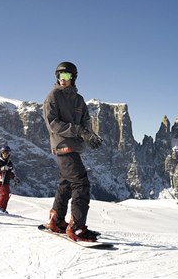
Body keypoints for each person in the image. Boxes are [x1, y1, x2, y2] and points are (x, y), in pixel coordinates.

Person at [43, 61, 103, 242]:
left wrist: (88, 134)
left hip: (74, 147)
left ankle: (56, 220)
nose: (63, 79)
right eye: (60, 76)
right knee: (81, 184)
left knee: (66, 184)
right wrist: (78, 131)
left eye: (67, 76)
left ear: (73, 78)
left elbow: (85, 121)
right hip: (62, 145)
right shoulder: (53, 96)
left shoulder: (79, 100)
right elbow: (53, 124)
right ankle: (77, 227)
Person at [0, 145, 19, 214]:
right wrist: (2, 168)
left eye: (7, 153)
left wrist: (14, 178)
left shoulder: (9, 163)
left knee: (7, 195)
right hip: (0, 180)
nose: (5, 155)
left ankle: (3, 208)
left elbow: (10, 172)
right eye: (4, 153)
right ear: (1, 153)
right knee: (3, 194)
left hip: (6, 181)